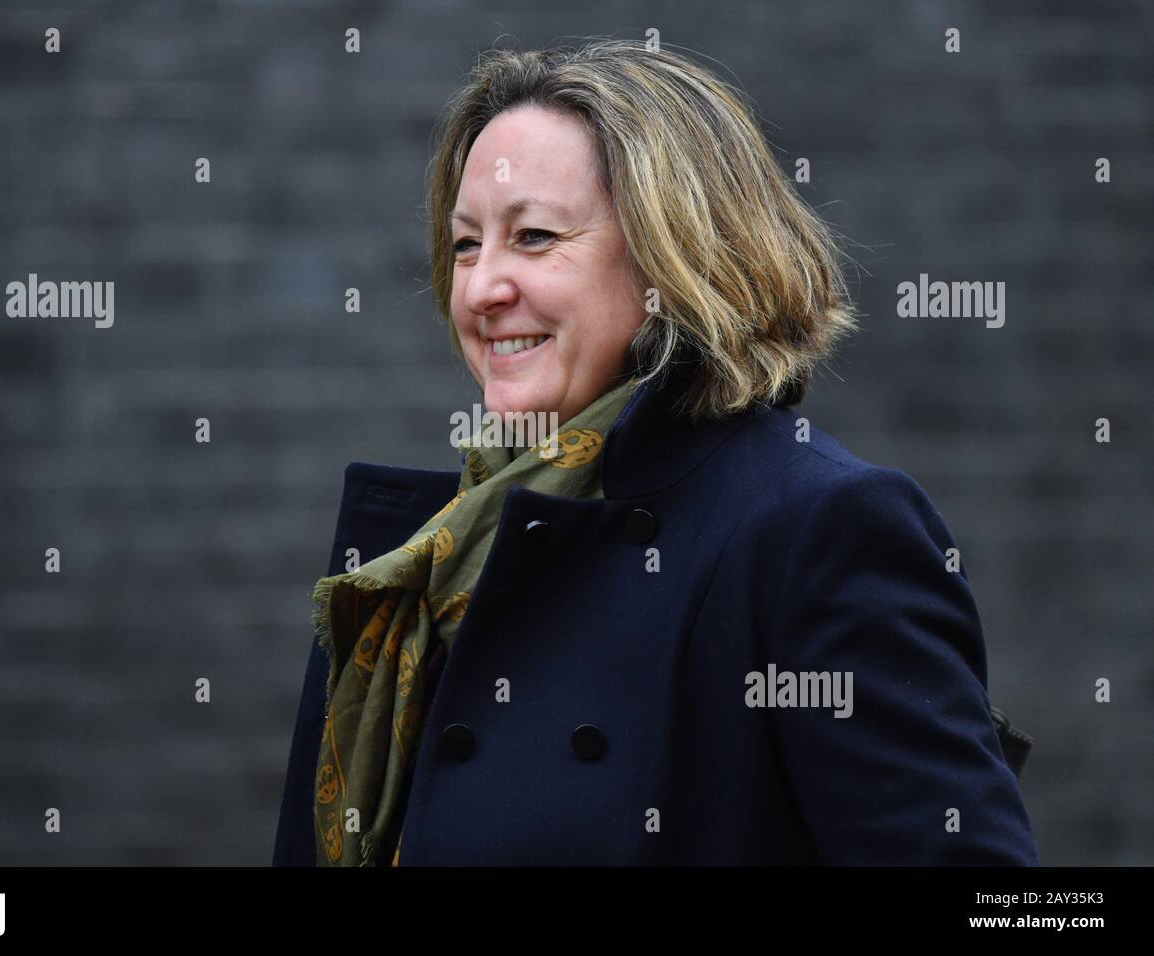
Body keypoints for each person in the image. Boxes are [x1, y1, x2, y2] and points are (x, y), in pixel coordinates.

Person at [272, 39, 1038, 866]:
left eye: (532, 237)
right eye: (465, 244)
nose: (480, 287)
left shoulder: (815, 529)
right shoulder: (429, 556)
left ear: (674, 256)